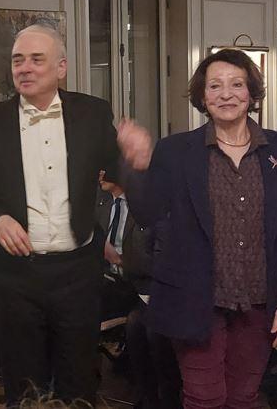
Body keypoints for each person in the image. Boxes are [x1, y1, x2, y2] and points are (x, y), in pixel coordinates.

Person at [117, 49, 277, 409]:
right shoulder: (176, 151)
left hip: (259, 302)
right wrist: (137, 167)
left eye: (236, 85)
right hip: (194, 301)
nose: (226, 94)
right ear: (203, 96)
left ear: (251, 93)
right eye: (215, 86)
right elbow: (148, 213)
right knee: (204, 398)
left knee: (243, 398)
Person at [0, 24, 119, 407]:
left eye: (36, 59)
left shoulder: (93, 113)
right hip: (16, 276)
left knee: (79, 382)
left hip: (78, 272)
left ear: (61, 67)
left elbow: (116, 174)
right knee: (25, 386)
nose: (24, 68)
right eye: (18, 60)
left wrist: (134, 159)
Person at [95, 169, 181, 409]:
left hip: (141, 285)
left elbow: (154, 261)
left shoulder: (146, 207)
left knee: (143, 326)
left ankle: (160, 398)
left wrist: (119, 259)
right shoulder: (100, 202)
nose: (99, 175)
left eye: (104, 169)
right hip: (106, 281)